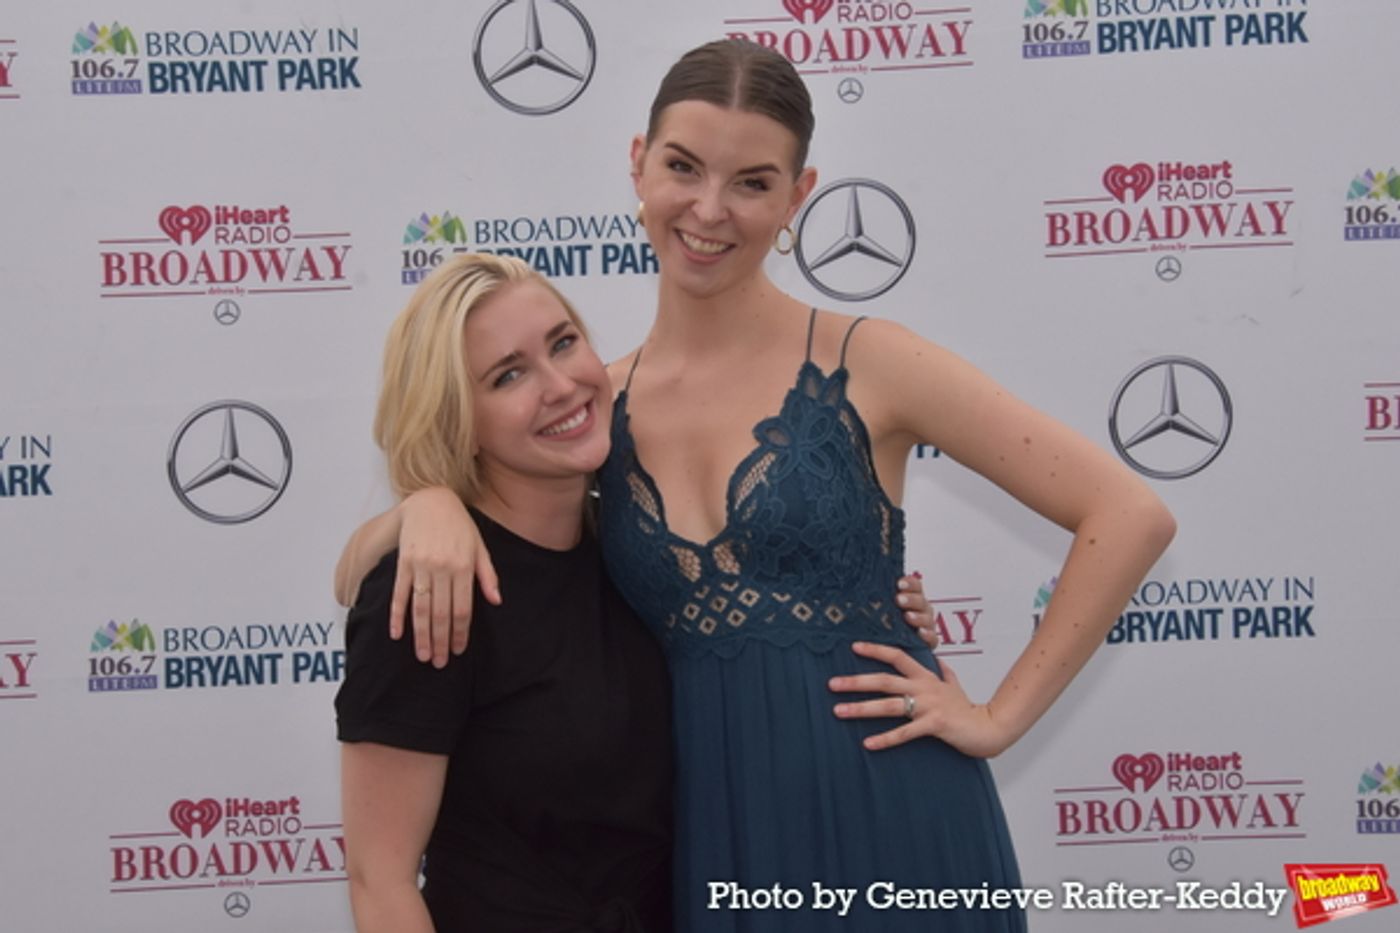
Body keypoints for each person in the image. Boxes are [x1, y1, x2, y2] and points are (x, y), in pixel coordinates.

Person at [338, 39, 1176, 932]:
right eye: (684, 167)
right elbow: (409, 571)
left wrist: (999, 718)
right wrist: (424, 507)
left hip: (889, 802)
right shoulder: (592, 409)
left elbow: (1128, 513)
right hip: (713, 835)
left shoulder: (874, 362)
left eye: (752, 181)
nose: (709, 209)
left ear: (797, 199)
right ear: (638, 165)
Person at [335, 253, 674, 932]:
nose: (561, 385)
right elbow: (382, 880)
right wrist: (420, 506)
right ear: (459, 421)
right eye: (509, 375)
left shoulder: (639, 540)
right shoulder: (430, 586)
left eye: (563, 342)